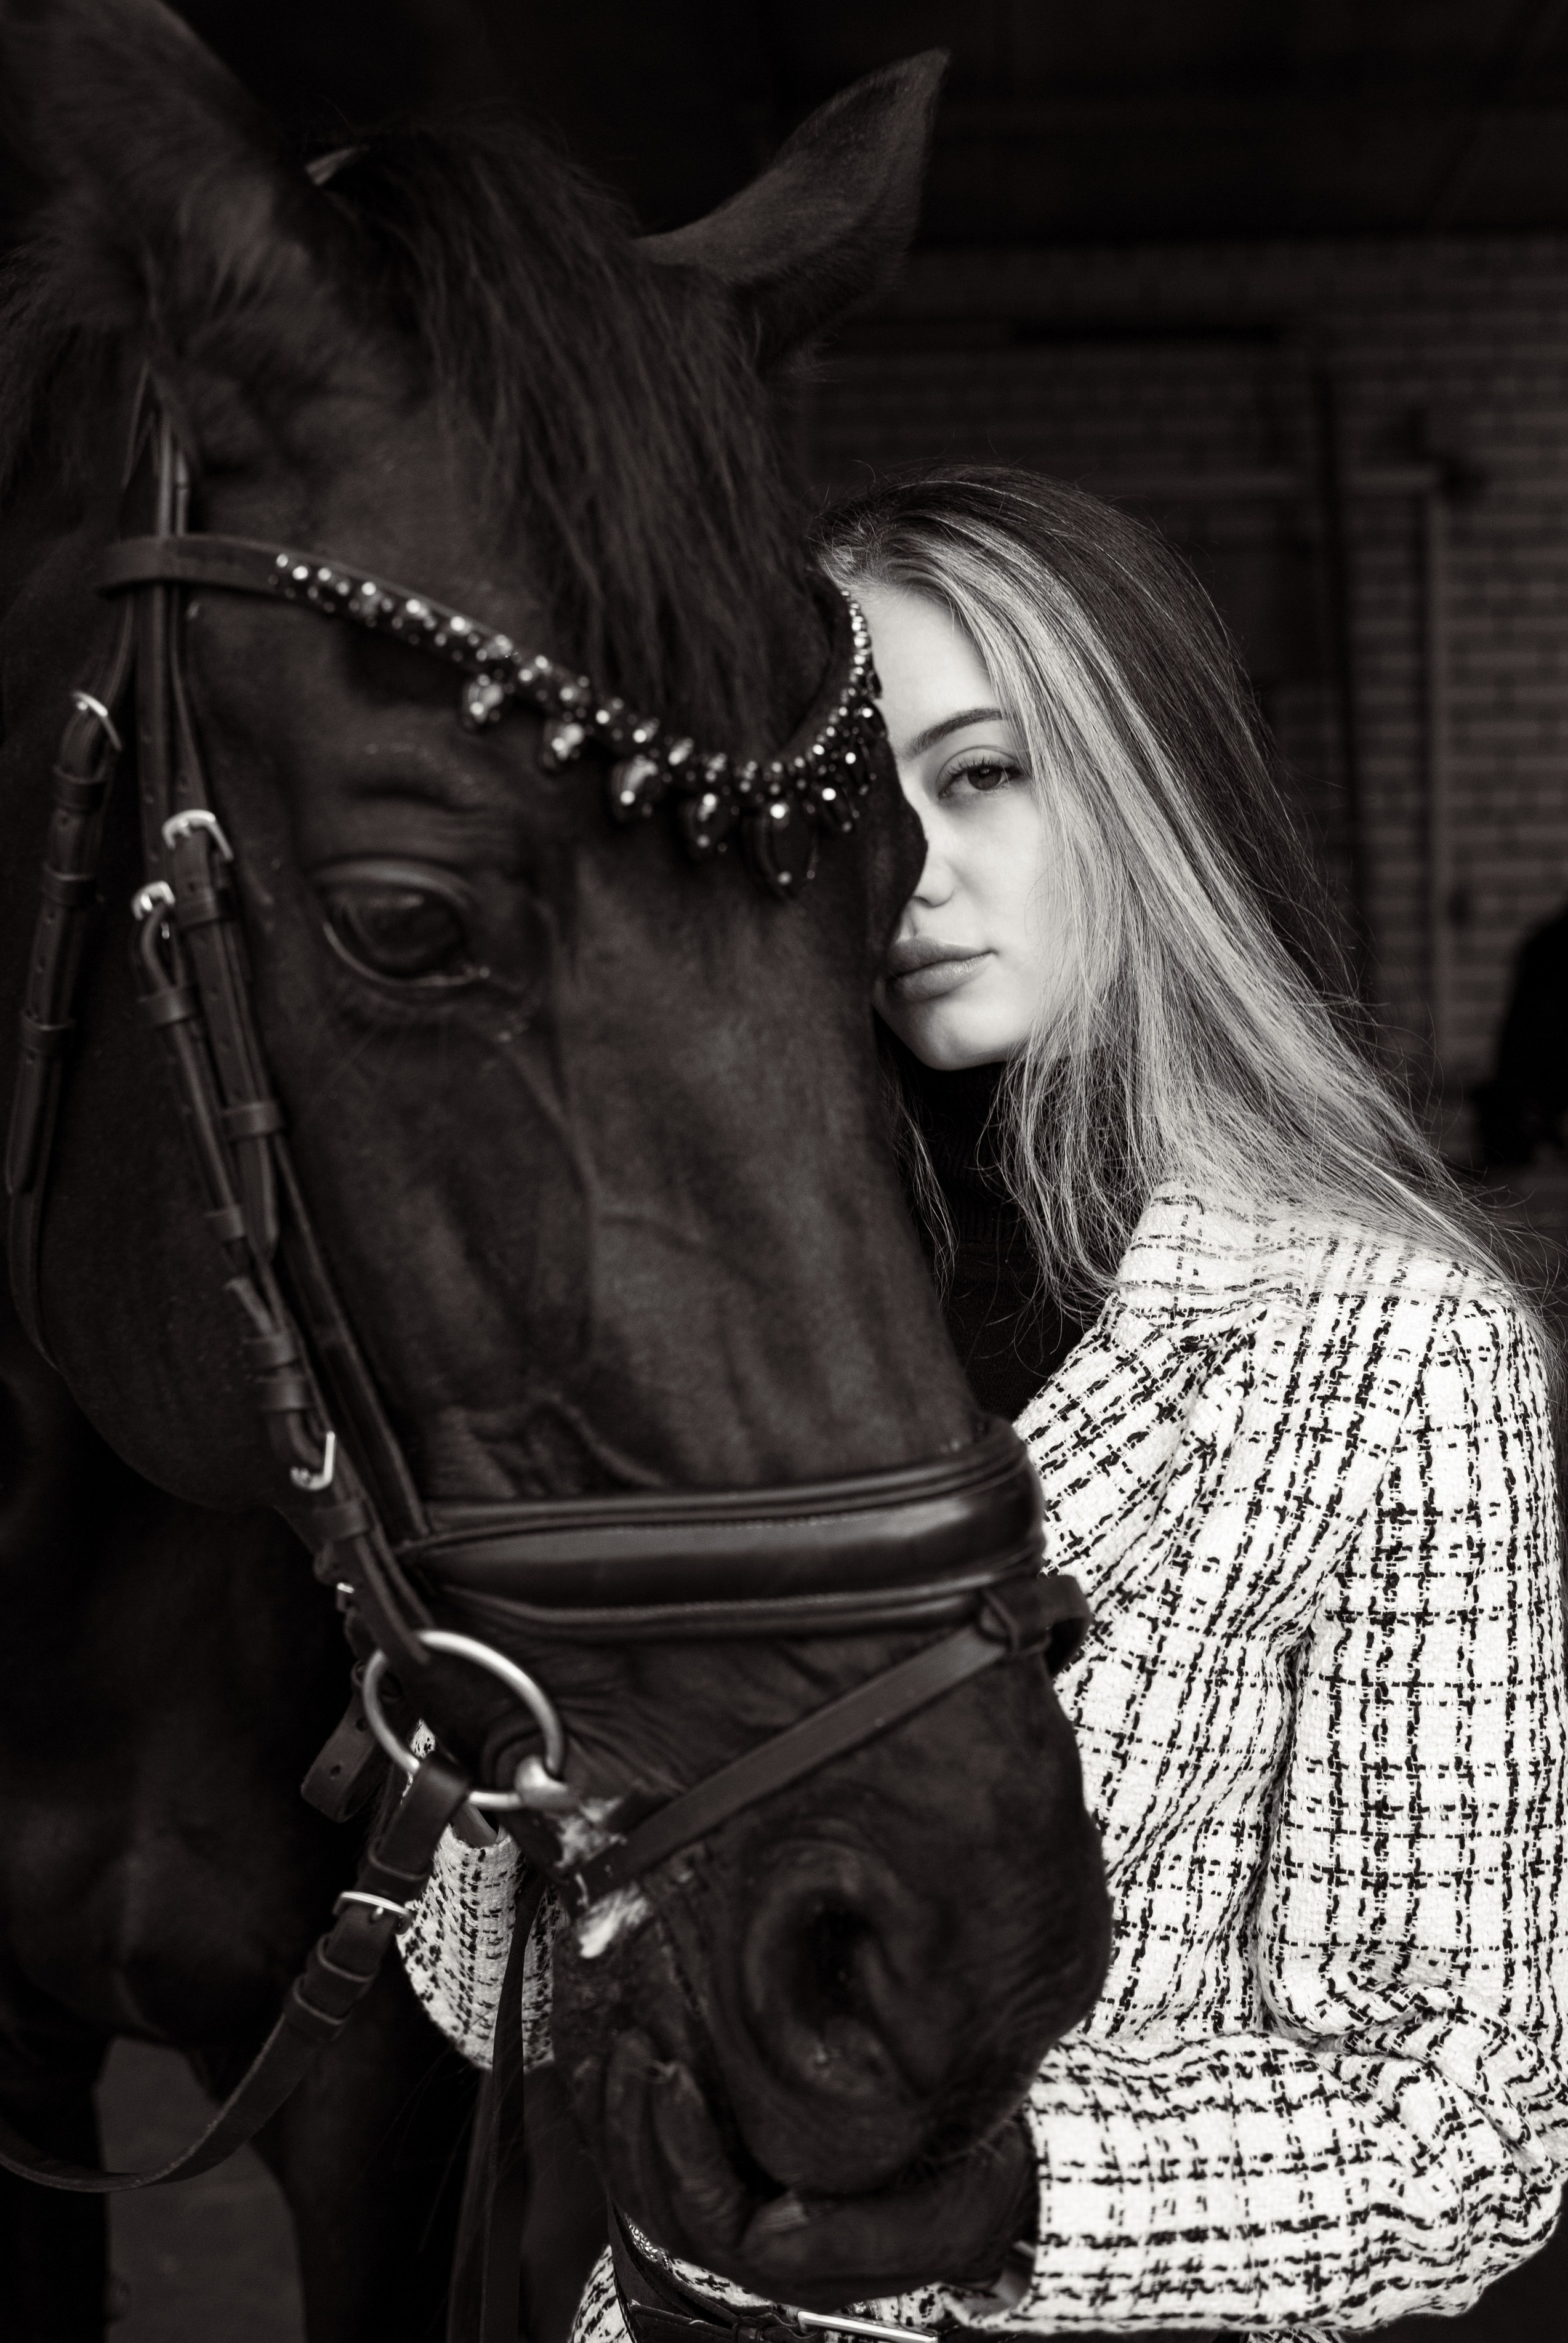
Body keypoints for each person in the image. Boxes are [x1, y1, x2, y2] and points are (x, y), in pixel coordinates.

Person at [401, 468, 1568, 2339]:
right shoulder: (693, 1326)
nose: (910, 866)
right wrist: (497, 1743)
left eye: (984, 776)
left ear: (1140, 794)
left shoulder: (1388, 1340)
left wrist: (1008, 2200)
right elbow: (494, 2007)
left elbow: (1468, 2120)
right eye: (854, 802)